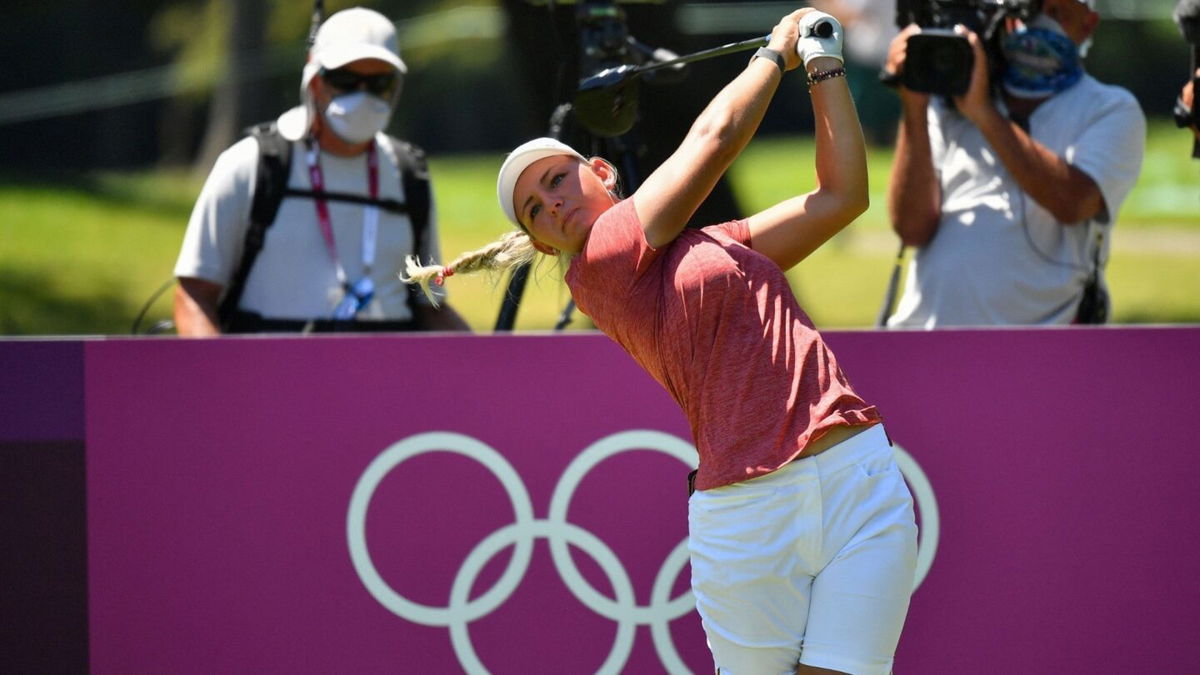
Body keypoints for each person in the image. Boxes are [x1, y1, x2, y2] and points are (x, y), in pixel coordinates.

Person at [408, 9, 918, 674]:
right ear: (541, 244)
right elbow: (714, 139)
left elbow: (841, 197)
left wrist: (824, 65)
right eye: (536, 209)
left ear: (602, 170)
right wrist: (773, 54)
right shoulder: (600, 262)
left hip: (857, 476)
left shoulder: (714, 246)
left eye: (557, 179)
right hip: (750, 513)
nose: (553, 203)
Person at [173, 7, 468, 335]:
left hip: (385, 380)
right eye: (345, 80)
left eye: (379, 83)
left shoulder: (409, 175)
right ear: (314, 80)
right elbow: (194, 297)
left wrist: (491, 366)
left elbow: (430, 307)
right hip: (270, 380)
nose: (363, 95)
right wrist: (224, 382)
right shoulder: (250, 165)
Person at [883, 0, 1145, 328]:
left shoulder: (1110, 108)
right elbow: (911, 228)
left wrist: (983, 115)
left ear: (1088, 24)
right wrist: (915, 106)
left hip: (1041, 345)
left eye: (1057, 13)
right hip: (928, 335)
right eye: (1028, 13)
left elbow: (1073, 203)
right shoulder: (951, 99)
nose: (1037, 26)